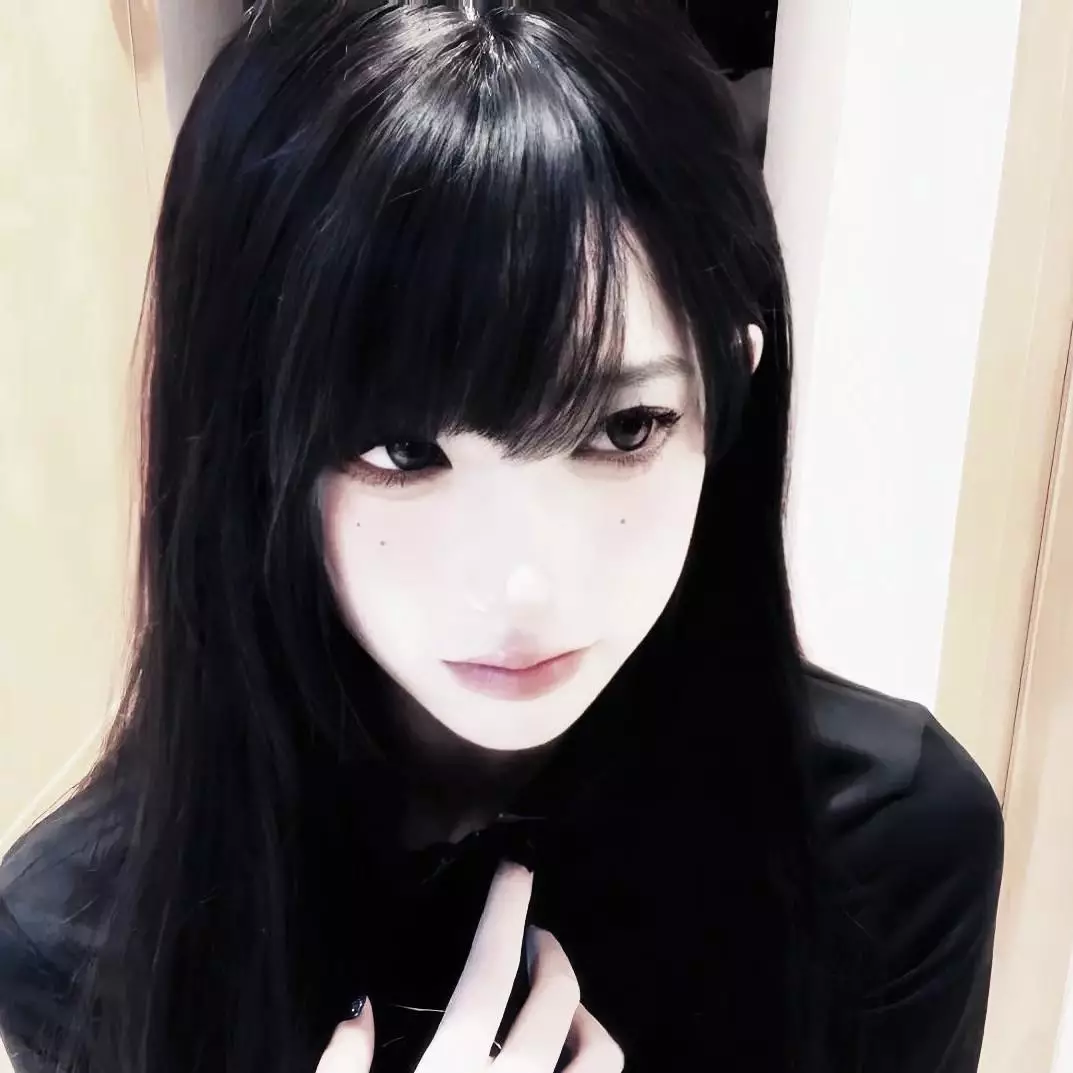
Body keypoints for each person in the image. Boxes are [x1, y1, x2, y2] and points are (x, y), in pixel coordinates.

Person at [0, 2, 1004, 1072]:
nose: (522, 585)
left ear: (728, 394)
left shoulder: (882, 845)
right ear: (251, 451)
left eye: (624, 428)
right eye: (400, 451)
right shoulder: (86, 939)